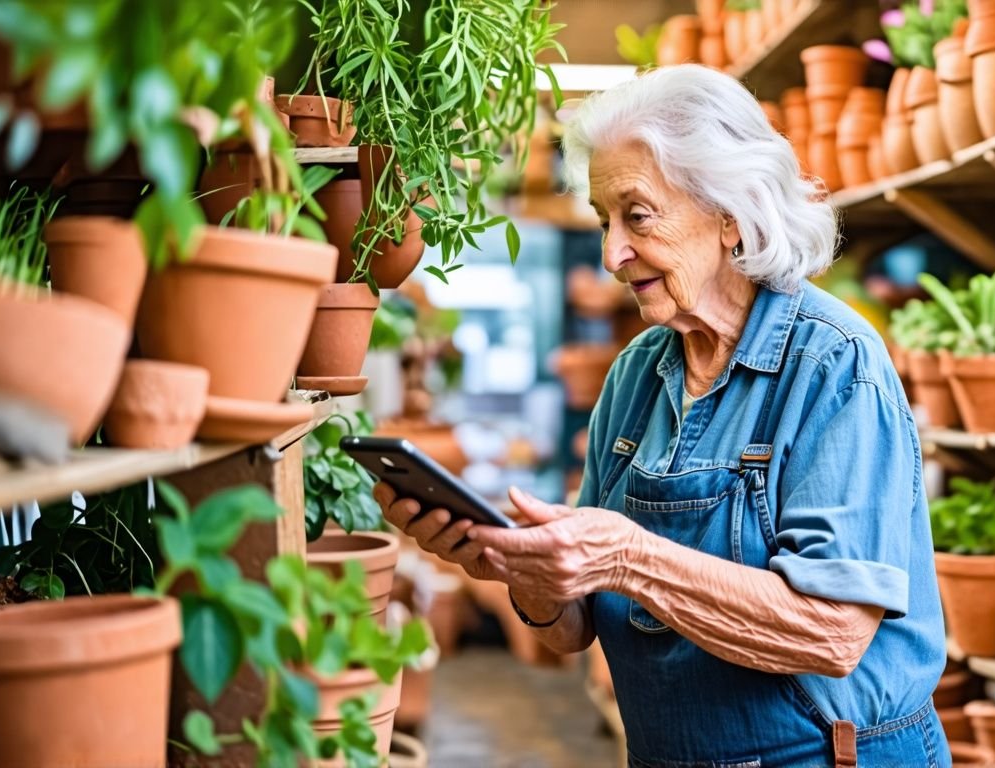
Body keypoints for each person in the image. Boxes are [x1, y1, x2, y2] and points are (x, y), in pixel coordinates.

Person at [376, 64, 949, 768]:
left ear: (731, 214)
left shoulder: (834, 363)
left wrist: (628, 555)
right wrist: (519, 569)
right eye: (603, 221)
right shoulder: (637, 373)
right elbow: (572, 629)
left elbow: (830, 635)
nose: (612, 253)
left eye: (637, 215)